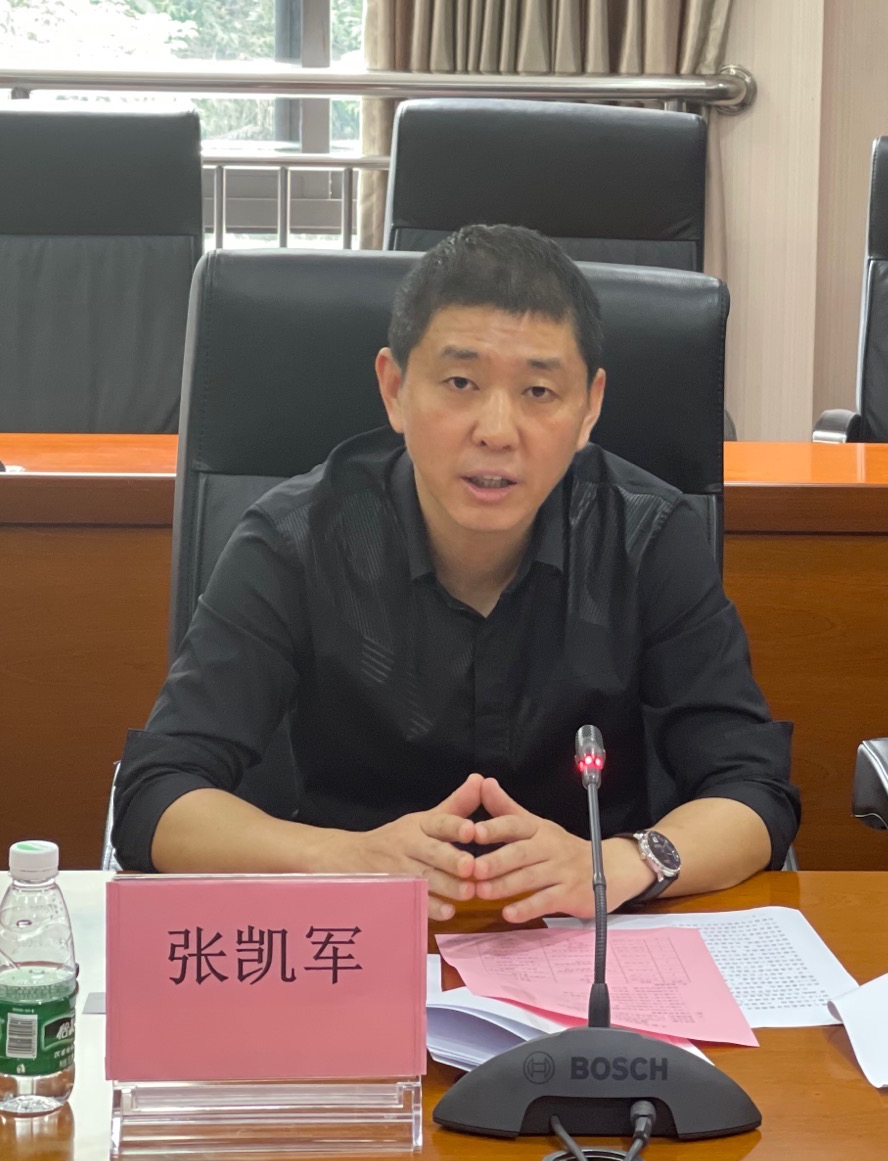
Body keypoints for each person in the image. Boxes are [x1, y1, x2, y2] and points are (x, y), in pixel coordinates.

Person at [113, 224, 799, 922]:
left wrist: (617, 864)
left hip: (589, 939)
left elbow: (752, 790)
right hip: (355, 935)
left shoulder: (646, 538)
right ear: (394, 388)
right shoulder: (296, 539)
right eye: (461, 383)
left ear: (590, 406)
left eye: (539, 391)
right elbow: (156, 796)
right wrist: (344, 857)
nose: (496, 431)